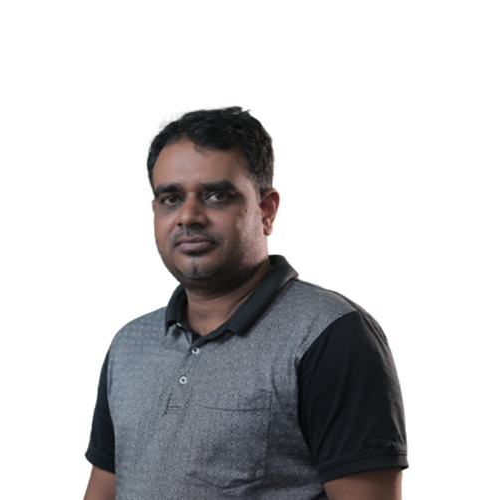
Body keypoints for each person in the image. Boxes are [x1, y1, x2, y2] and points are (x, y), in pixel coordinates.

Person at [83, 105, 408, 500]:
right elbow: (103, 490)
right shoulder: (129, 343)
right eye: (171, 198)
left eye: (217, 195)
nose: (189, 216)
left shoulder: (331, 335)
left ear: (266, 211)